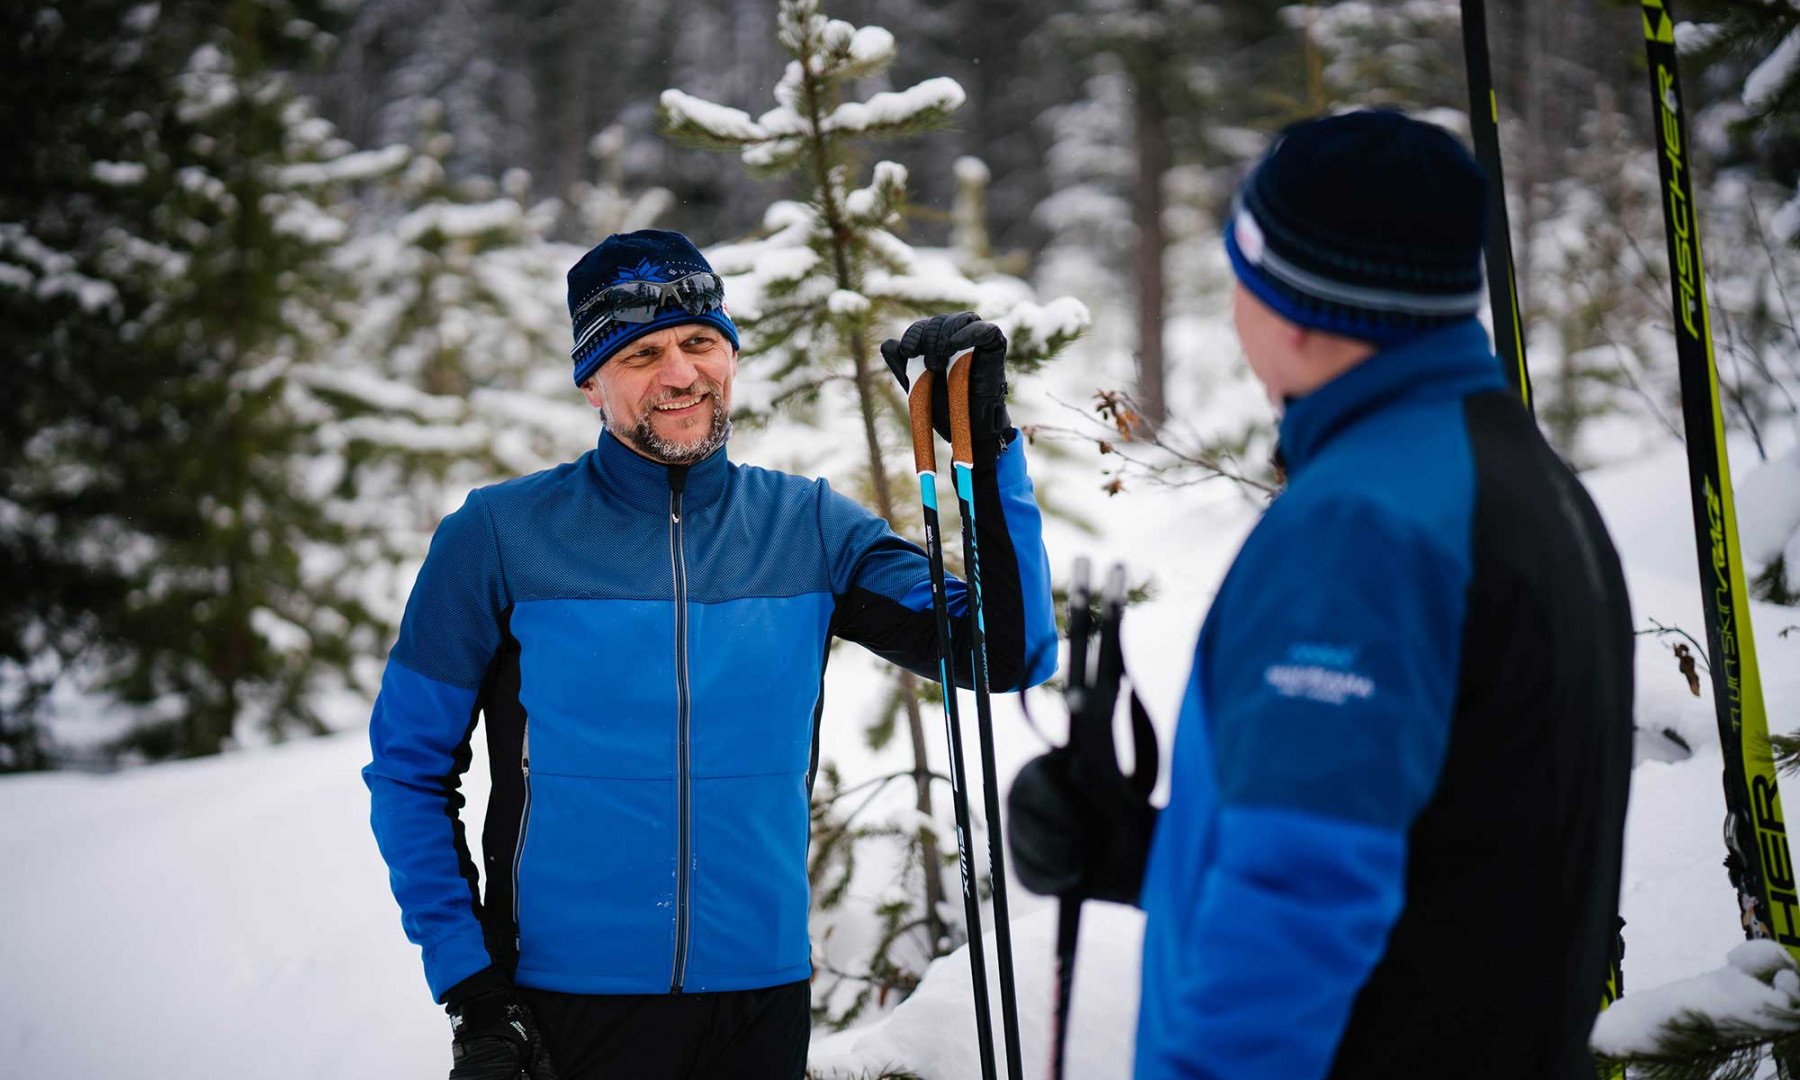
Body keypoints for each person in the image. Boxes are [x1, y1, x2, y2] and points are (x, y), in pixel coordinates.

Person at [1009, 110, 1634, 1079]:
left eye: (1240, 278)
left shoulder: (1363, 528)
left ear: (1293, 307)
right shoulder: (1506, 475)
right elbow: (1450, 843)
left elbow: (1298, 897)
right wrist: (1149, 853)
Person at [363, 229, 1058, 1080]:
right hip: (561, 1008)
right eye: (642, 353)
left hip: (759, 1004)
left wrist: (985, 456)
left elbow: (1007, 651)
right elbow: (407, 769)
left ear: (730, 355)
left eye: (700, 343)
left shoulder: (809, 529)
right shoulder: (500, 538)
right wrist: (471, 988)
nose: (681, 374)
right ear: (591, 381)